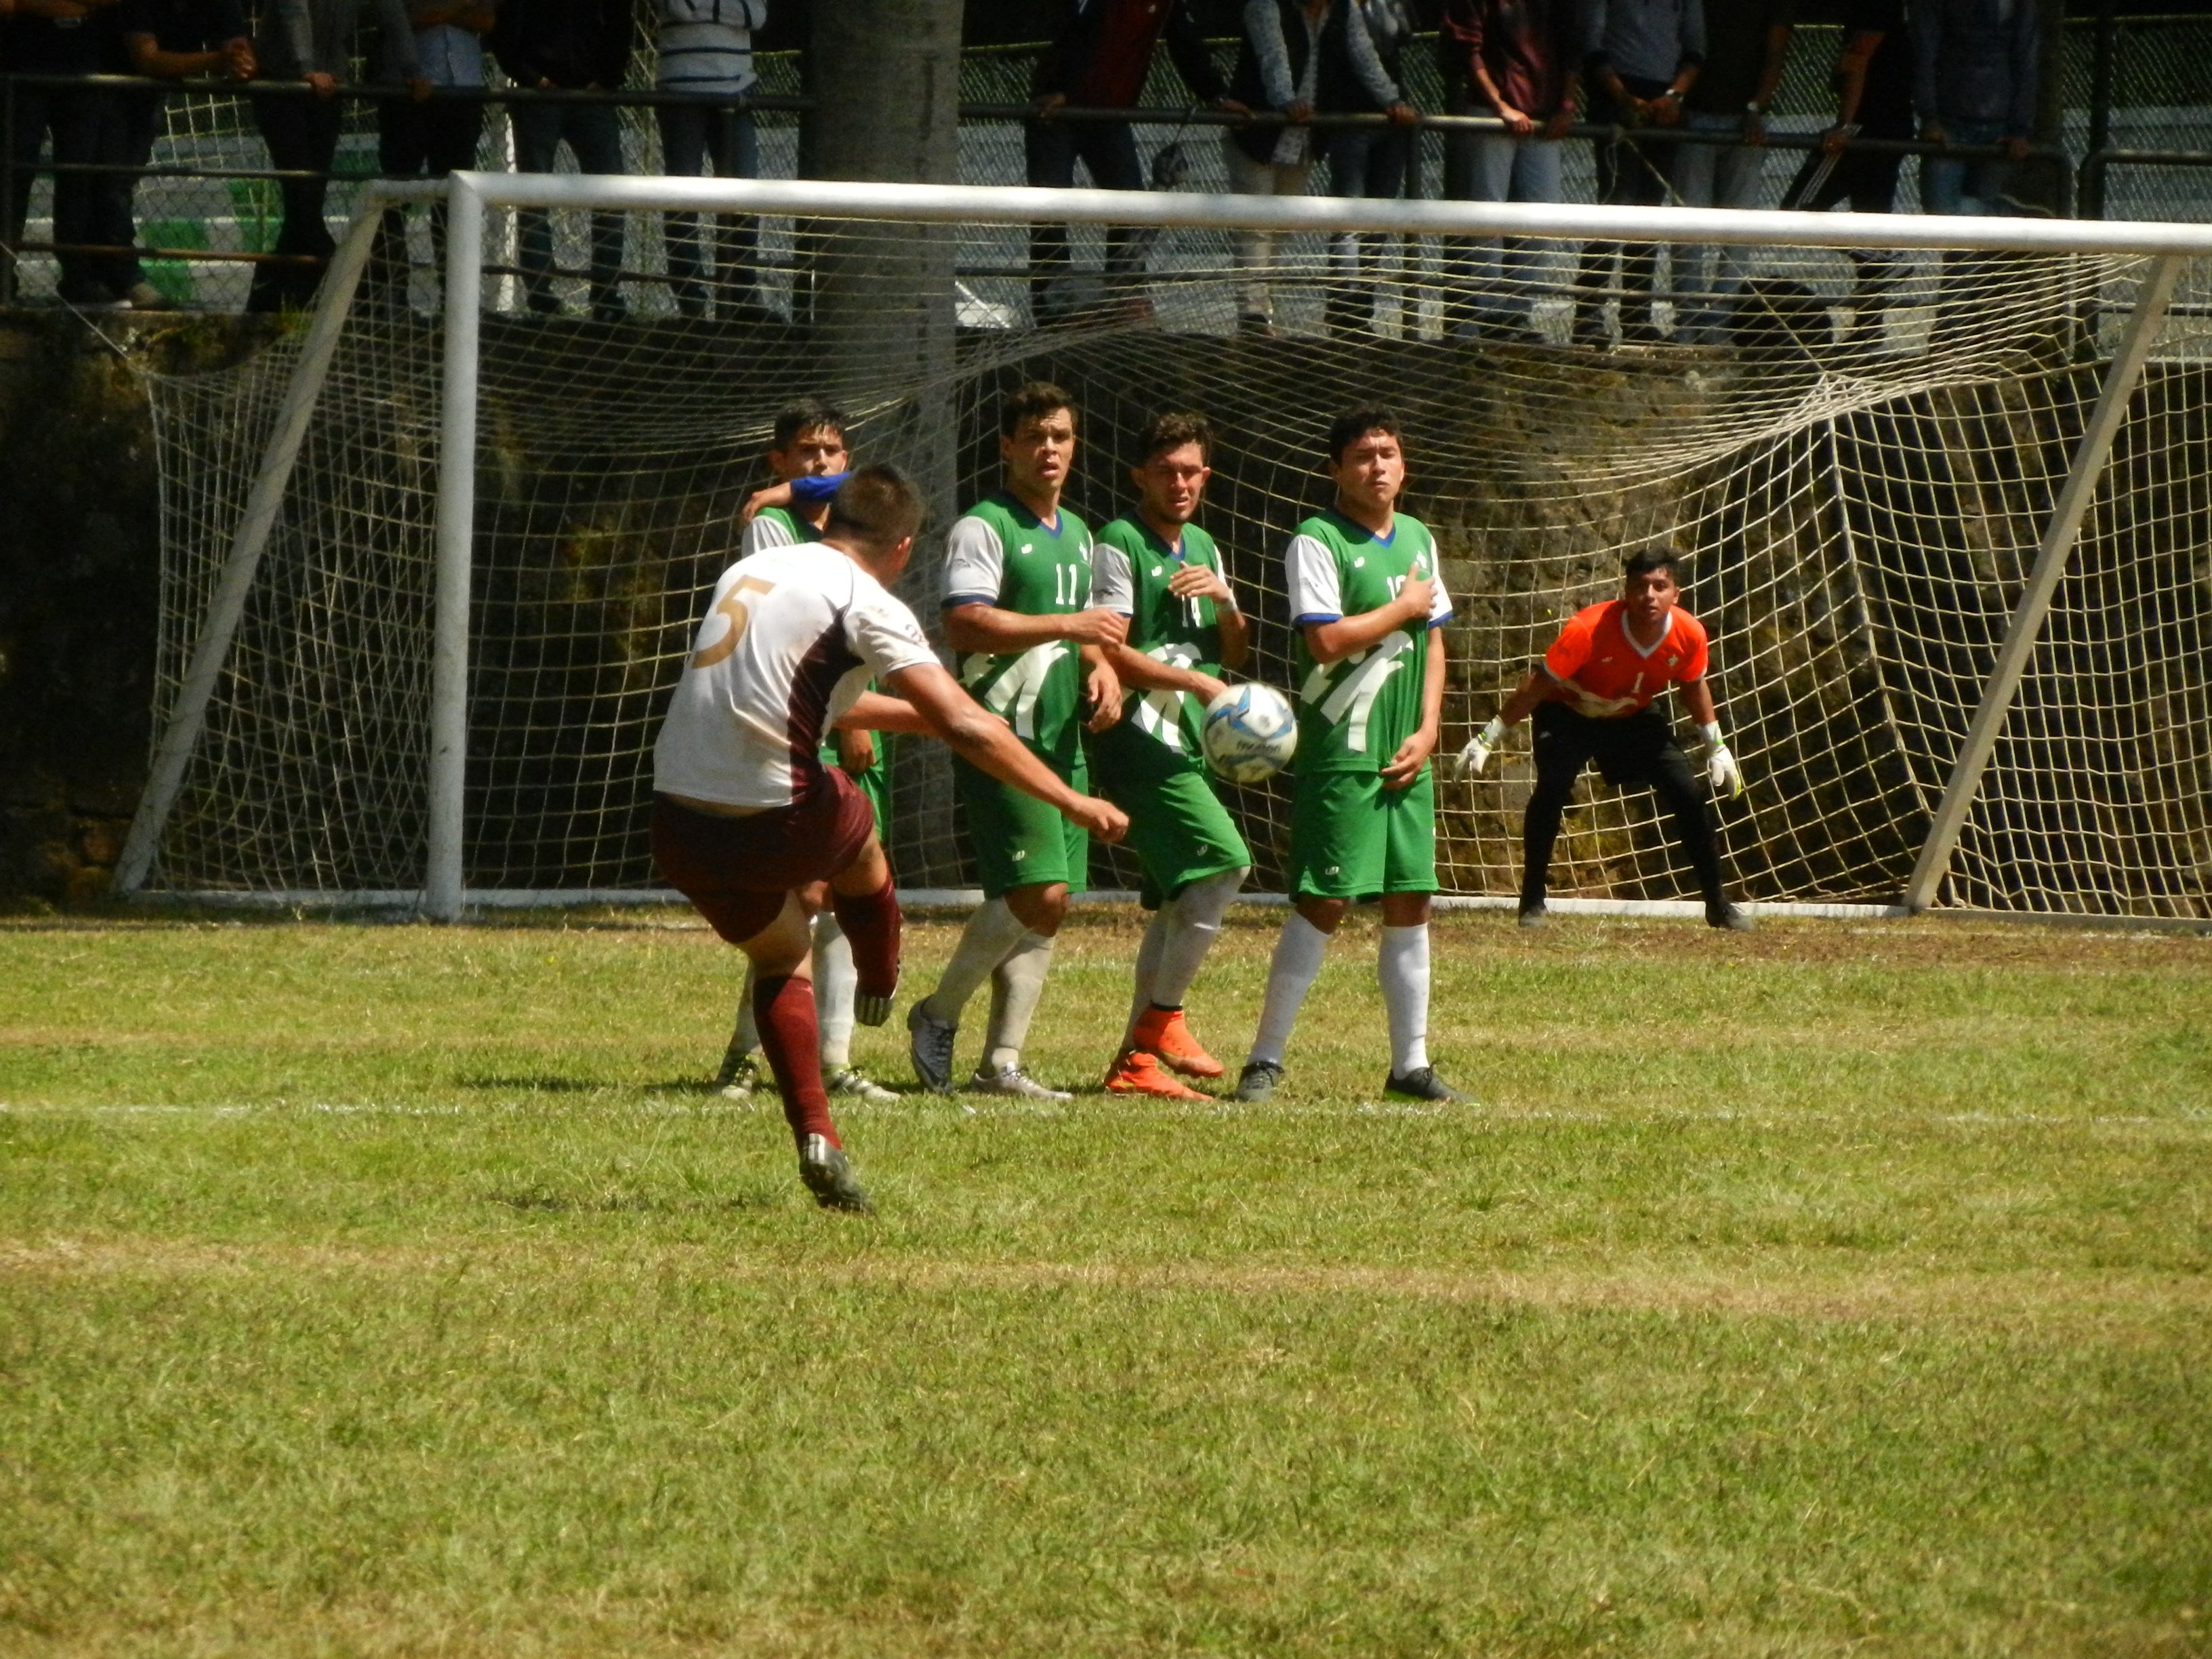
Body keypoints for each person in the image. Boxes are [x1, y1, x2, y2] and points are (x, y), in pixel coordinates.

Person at [653, 464, 1128, 1212]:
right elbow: (967, 727)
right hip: (773, 808)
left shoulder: (755, 567)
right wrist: (1072, 799)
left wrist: (947, 715)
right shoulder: (864, 599)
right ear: (903, 547)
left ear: (828, 523)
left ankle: (817, 1134)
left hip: (677, 816)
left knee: (782, 953)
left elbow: (821, 698)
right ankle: (881, 973)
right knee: (858, 823)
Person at [1234, 409, 1465, 1105]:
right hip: (1343, 751)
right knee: (1325, 900)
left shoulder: (1419, 538)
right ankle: (1265, 1060)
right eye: (1363, 456)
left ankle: (1411, 1066)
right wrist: (1403, 609)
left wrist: (1429, 731)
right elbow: (1326, 642)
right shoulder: (1317, 540)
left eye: (1389, 453)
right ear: (1336, 469)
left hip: (1406, 752)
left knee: (1412, 898)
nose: (1378, 467)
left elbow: (1436, 646)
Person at [906, 382, 1126, 1100]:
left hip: (1060, 737)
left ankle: (1003, 1063)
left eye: (1061, 435)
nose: (1050, 449)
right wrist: (1071, 630)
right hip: (999, 733)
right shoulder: (985, 526)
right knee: (1042, 886)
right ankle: (937, 1014)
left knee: (1051, 902)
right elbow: (965, 624)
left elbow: (1088, 634)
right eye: (1035, 436)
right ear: (1008, 446)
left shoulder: (1081, 533)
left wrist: (1102, 673)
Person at [712, 400, 904, 1109]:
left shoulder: (858, 533)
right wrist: (847, 719)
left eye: (832, 452)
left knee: (847, 888)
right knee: (802, 895)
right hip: (792, 731)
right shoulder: (771, 527)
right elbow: (794, 639)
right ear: (778, 463)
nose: (821, 463)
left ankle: (835, 1057)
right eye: (804, 454)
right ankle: (744, 1054)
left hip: (856, 723)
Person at [1087, 412, 1254, 1100]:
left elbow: (1235, 654)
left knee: (1181, 897)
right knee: (1226, 864)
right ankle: (1163, 1021)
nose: (1180, 483)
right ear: (1140, 477)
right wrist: (1193, 680)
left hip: (1182, 739)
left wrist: (1227, 604)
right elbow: (1107, 645)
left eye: (1191, 471)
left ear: (1206, 477)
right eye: (1167, 471)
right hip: (1136, 739)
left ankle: (1135, 1064)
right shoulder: (1119, 542)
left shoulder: (1205, 547)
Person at [1456, 548, 1750, 930]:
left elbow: (1694, 686)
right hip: (1568, 715)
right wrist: (1488, 736)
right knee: (1553, 788)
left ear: (1675, 594)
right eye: (1640, 586)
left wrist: (1717, 747)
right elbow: (1537, 685)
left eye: (1660, 586)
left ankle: (1718, 905)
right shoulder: (1587, 629)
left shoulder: (1690, 634)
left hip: (1631, 718)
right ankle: (1532, 901)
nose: (1650, 596)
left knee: (1688, 792)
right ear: (1626, 591)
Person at [1025, 0, 1238, 327]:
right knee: (1050, 211)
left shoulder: (1168, 5)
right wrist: (1060, 88)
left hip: (1111, 115)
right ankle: (1052, 315)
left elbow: (1186, 43)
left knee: (1132, 207)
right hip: (1058, 114)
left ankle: (1123, 302)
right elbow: (1072, 28)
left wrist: (1217, 95)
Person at [1224, 0, 1394, 335]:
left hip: (1303, 137)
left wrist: (1393, 100)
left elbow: (1364, 56)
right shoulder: (1266, 5)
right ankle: (1253, 316)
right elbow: (1272, 55)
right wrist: (1286, 100)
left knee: (1283, 225)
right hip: (1257, 131)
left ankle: (1261, 312)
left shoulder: (1343, 11)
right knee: (1255, 225)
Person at [247, 0, 422, 312]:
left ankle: (273, 298)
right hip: (282, 82)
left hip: (329, 86)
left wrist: (411, 69)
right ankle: (346, 279)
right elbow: (293, 9)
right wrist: (307, 68)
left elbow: (393, 13)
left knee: (308, 198)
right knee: (303, 191)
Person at [1438, 0, 1581, 343]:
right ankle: (1490, 314)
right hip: (1493, 116)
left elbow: (1572, 43)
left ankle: (1517, 314)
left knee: (1542, 219)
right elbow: (1467, 47)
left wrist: (1566, 104)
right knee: (1488, 216)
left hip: (1544, 117)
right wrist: (1500, 106)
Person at [1571, 0, 1704, 346]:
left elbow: (1695, 47)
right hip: (1616, 98)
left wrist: (1674, 96)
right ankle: (1587, 314)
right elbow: (1591, 41)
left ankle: (1636, 315)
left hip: (1664, 102)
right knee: (1616, 202)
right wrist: (1620, 96)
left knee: (1648, 211)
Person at [1778, 0, 1911, 345]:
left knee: (1795, 213)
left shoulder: (1875, 10)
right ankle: (1869, 329)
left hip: (1866, 130)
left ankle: (1884, 256)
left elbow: (1856, 61)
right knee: (1871, 221)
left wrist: (1846, 125)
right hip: (1892, 129)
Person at [491, 0, 633, 319]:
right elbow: (502, 29)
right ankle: (544, 298)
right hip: (542, 96)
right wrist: (531, 77)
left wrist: (607, 77)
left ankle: (605, 296)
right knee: (535, 198)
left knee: (611, 194)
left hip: (586, 96)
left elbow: (621, 25)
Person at [116, 0, 256, 310]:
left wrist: (240, 64)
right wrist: (218, 59)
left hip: (144, 96)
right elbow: (148, 60)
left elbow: (238, 50)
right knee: (105, 184)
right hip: (107, 85)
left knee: (117, 184)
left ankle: (119, 276)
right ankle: (110, 276)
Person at [1671, 0, 1792, 343]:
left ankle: (1721, 321)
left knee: (1740, 227)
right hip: (1693, 117)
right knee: (1688, 225)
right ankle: (1688, 320)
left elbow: (1775, 53)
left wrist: (1755, 107)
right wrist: (1676, 100)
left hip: (1746, 125)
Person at [3, 0, 137, 308]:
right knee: (14, 175)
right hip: (21, 66)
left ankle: (78, 277)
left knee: (79, 177)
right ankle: (4, 274)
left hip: (82, 68)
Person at [369, 0, 494, 310]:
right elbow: (404, 17)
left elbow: (487, 19)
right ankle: (391, 293)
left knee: (455, 199)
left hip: (464, 89)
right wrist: (459, 10)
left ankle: (456, 297)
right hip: (409, 91)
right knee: (396, 196)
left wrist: (440, 12)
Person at [1315, 0, 1417, 338]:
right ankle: (1347, 312)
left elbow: (1404, 32)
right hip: (1353, 117)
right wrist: (1393, 100)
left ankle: (1362, 309)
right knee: (1351, 219)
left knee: (1378, 223)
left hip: (1393, 124)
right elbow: (1360, 54)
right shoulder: (1341, 8)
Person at [654, 0, 762, 318]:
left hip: (737, 91)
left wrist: (704, 8)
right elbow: (679, 8)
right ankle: (691, 300)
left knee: (745, 196)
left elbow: (755, 15)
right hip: (680, 91)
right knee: (683, 200)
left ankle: (740, 296)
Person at [1913, 0, 2036, 217]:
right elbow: (1924, 51)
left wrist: (2019, 128)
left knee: (1950, 218)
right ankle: (2007, 216)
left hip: (1996, 122)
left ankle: (2006, 216)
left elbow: (2026, 57)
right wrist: (1930, 117)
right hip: (1952, 121)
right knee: (1942, 213)